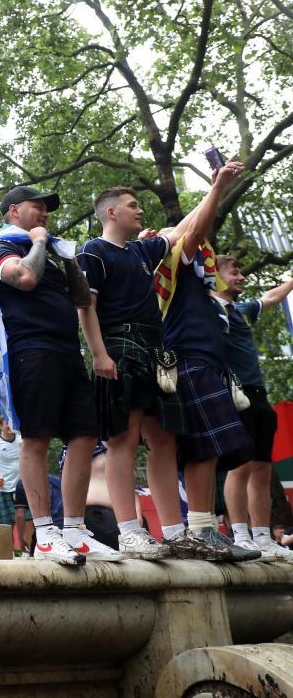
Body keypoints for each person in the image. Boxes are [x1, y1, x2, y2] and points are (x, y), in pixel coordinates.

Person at [0, 185, 121, 565]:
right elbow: (24, 278)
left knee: (84, 436)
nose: (44, 213)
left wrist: (71, 260)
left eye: (46, 209)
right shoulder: (3, 246)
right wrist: (41, 242)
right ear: (14, 211)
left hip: (67, 352)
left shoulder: (51, 254)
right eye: (36, 207)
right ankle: (45, 534)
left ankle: (75, 532)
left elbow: (81, 299)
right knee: (37, 438)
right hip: (32, 352)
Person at [75, 186, 199, 559]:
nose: (140, 210)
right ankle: (129, 531)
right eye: (133, 205)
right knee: (122, 440)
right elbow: (86, 306)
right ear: (111, 213)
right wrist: (99, 354)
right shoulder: (93, 252)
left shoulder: (142, 251)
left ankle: (175, 533)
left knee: (164, 440)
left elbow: (182, 231)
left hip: (155, 349)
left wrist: (218, 186)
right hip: (118, 346)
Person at [154, 159, 256, 562]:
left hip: (207, 361)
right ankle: (200, 529)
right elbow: (194, 230)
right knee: (203, 448)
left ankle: (205, 527)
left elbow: (196, 229)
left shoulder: (197, 280)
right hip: (189, 360)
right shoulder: (167, 264)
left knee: (213, 448)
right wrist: (218, 186)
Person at [216, 256, 293, 561]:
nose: (241, 276)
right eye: (233, 271)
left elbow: (271, 297)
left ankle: (262, 536)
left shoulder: (242, 310)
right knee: (241, 467)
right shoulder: (209, 309)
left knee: (262, 467)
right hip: (234, 396)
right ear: (215, 276)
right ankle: (240, 534)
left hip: (259, 395)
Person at [0, 417, 31, 552]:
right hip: (4, 489)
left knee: (29, 521)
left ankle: (31, 553)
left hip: (23, 488)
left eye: (12, 423)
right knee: (6, 525)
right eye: (6, 423)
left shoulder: (22, 440)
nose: (10, 426)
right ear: (0, 426)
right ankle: (8, 556)